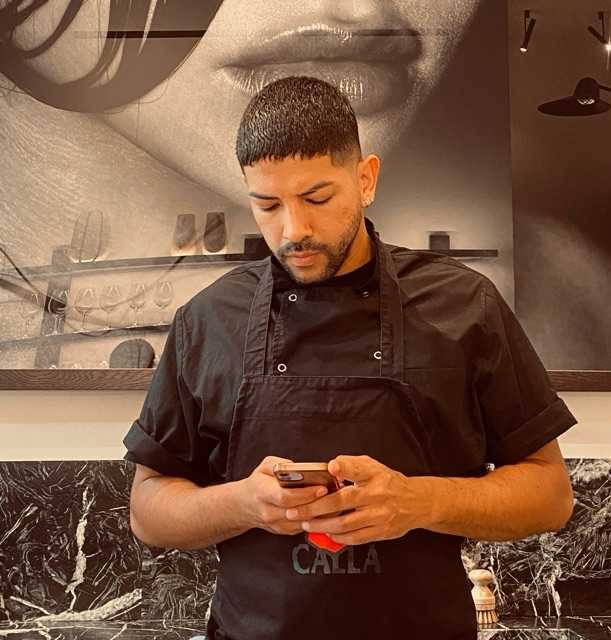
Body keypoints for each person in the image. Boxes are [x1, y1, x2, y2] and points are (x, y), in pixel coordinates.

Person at [123, 76, 578, 640]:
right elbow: (147, 509)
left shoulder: (466, 304)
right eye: (267, 205)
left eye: (317, 198)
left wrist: (417, 501)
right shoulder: (208, 319)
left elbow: (550, 494)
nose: (294, 230)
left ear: (366, 179)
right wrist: (244, 503)